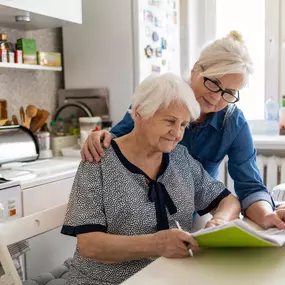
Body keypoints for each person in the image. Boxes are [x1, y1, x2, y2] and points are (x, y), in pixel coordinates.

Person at [81, 31, 285, 230]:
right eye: (213, 83)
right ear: (196, 69)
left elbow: (250, 187)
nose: (216, 98)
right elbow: (118, 140)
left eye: (229, 93)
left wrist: (268, 215)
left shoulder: (233, 122)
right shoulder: (162, 96)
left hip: (187, 220)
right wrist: (101, 138)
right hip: (135, 221)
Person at [61, 73, 240, 285]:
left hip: (168, 277)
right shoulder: (98, 159)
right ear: (139, 114)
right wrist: (156, 244)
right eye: (170, 121)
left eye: (183, 125)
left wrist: (219, 221)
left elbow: (229, 201)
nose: (177, 134)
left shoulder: (180, 158)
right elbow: (89, 245)